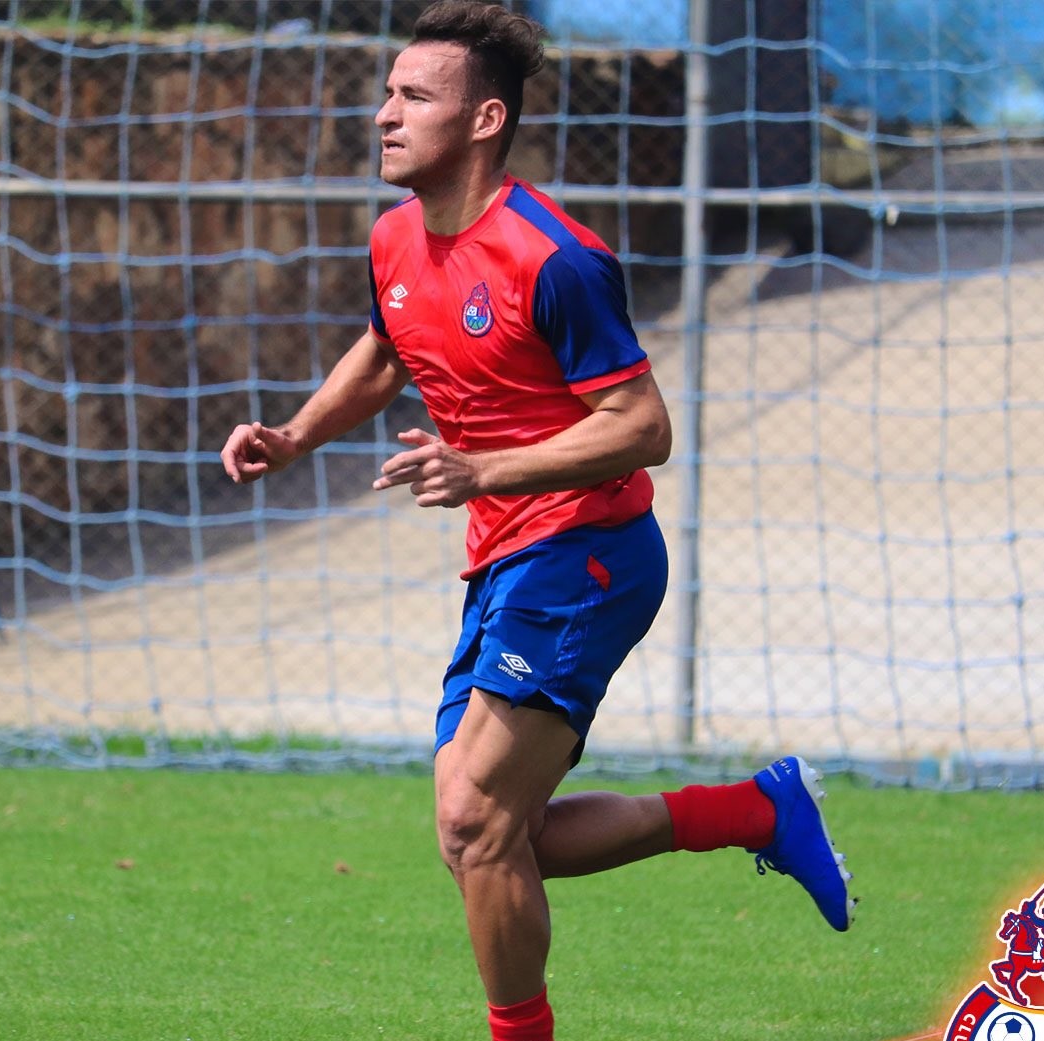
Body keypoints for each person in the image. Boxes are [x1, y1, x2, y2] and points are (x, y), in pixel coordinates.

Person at [217, 3, 856, 1039]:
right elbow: (387, 353)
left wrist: (487, 469)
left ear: (483, 120)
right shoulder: (396, 238)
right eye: (387, 92)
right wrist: (295, 436)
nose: (383, 114)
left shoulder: (554, 258)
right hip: (510, 558)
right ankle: (754, 809)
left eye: (413, 97)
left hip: (589, 551)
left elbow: (643, 427)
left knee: (475, 820)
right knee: (486, 837)